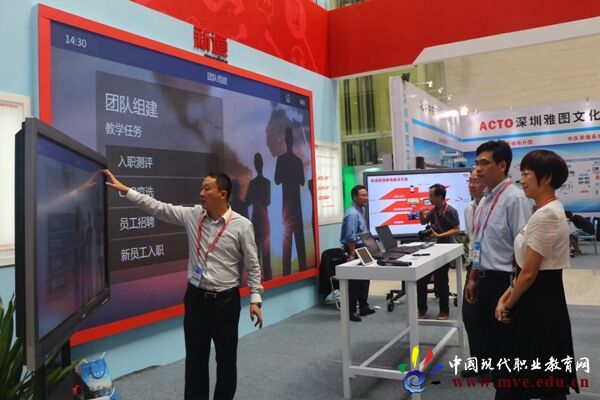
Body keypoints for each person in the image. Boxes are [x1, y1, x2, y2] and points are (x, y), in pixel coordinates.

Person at [103, 170, 264, 400]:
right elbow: (158, 208)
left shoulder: (242, 225)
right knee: (195, 360)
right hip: (196, 300)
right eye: (201, 188)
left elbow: (253, 264)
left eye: (207, 188)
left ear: (222, 194)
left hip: (225, 303)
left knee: (226, 360)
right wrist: (127, 191)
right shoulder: (193, 215)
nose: (201, 193)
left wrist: (255, 299)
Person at [496, 150, 579, 400]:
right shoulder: (544, 210)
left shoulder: (547, 215)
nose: (521, 179)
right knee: (537, 373)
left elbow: (530, 273)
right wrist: (507, 294)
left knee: (535, 373)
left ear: (546, 177)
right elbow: (526, 268)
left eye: (526, 174)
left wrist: (508, 305)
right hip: (537, 296)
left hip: (539, 301)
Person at [464, 140, 532, 400]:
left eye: (484, 163)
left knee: (508, 350)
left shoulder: (514, 199)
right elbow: (478, 242)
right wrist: (473, 276)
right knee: (493, 347)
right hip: (483, 281)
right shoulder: (484, 200)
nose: (478, 169)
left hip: (504, 283)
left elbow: (524, 253)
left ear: (502, 165)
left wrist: (512, 292)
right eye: (476, 163)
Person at [417, 184, 460, 320]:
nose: (429, 198)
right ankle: (422, 309)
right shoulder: (433, 211)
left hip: (444, 249)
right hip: (432, 249)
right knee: (421, 280)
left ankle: (444, 311)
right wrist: (421, 213)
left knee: (441, 281)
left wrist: (439, 235)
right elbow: (423, 222)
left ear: (440, 197)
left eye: (431, 195)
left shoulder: (450, 211)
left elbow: (457, 229)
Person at [460, 169, 486, 377]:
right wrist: (471, 269)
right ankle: (478, 362)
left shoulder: (491, 206)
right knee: (470, 316)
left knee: (489, 317)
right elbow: (472, 239)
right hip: (474, 264)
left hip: (491, 266)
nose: (471, 185)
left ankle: (493, 364)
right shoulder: (468, 208)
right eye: (470, 181)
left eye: (476, 181)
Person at [274, 127, 307, 275]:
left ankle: (287, 271)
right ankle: (301, 268)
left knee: (287, 241)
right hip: (295, 206)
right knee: (298, 240)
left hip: (287, 206)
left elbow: (277, 180)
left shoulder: (281, 160)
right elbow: (302, 181)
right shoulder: (297, 161)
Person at [340, 185, 375, 322]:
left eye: (366, 195)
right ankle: (351, 311)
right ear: (355, 196)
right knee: (354, 282)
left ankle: (364, 306)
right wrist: (352, 255)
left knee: (365, 279)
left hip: (363, 248)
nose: (365, 198)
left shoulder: (361, 210)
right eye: (362, 195)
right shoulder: (352, 214)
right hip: (355, 249)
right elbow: (351, 236)